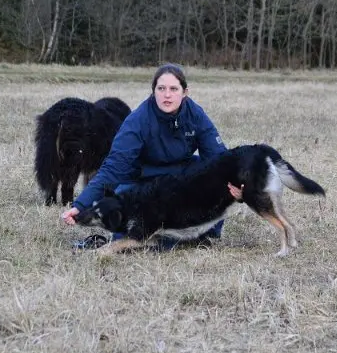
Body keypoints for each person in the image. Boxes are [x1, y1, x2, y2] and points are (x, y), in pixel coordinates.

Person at [62, 63, 242, 249]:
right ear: (153, 91)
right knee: (125, 226)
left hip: (180, 175)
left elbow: (219, 159)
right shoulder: (138, 120)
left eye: (173, 89)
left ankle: (202, 233)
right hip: (143, 178)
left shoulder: (195, 115)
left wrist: (237, 186)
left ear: (185, 92)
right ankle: (155, 238)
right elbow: (114, 167)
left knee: (214, 180)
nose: (167, 95)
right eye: (161, 88)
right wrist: (80, 205)